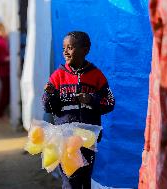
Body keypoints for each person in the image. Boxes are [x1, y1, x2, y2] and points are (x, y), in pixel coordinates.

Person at [42, 31, 115, 189]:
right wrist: (49, 95)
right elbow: (47, 107)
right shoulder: (57, 76)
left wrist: (91, 99)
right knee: (70, 179)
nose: (65, 52)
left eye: (70, 47)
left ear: (85, 50)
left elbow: (110, 102)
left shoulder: (97, 76)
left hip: (88, 138)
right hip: (66, 138)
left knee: (84, 179)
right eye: (63, 48)